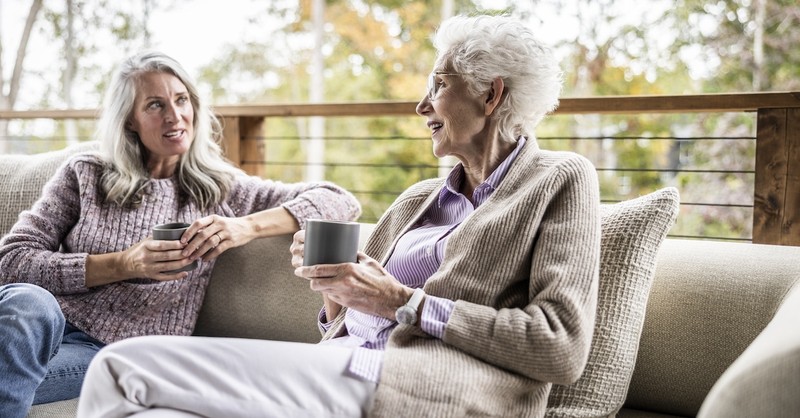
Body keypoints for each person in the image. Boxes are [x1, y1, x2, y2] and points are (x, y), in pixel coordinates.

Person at [76, 14, 601, 418]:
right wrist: (337, 293)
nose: (421, 106)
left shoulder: (558, 180)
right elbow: (351, 323)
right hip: (347, 363)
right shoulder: (421, 197)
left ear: (492, 94)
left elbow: (559, 347)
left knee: (119, 366)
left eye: (439, 85)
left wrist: (400, 301)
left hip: (424, 384)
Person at [0, 51, 361, 418]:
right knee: (29, 303)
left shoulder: (219, 191)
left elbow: (338, 200)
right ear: (129, 121)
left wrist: (245, 226)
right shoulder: (86, 174)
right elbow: (11, 262)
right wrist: (124, 263)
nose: (175, 116)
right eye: (155, 105)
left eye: (182, 99)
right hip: (39, 325)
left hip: (107, 349)